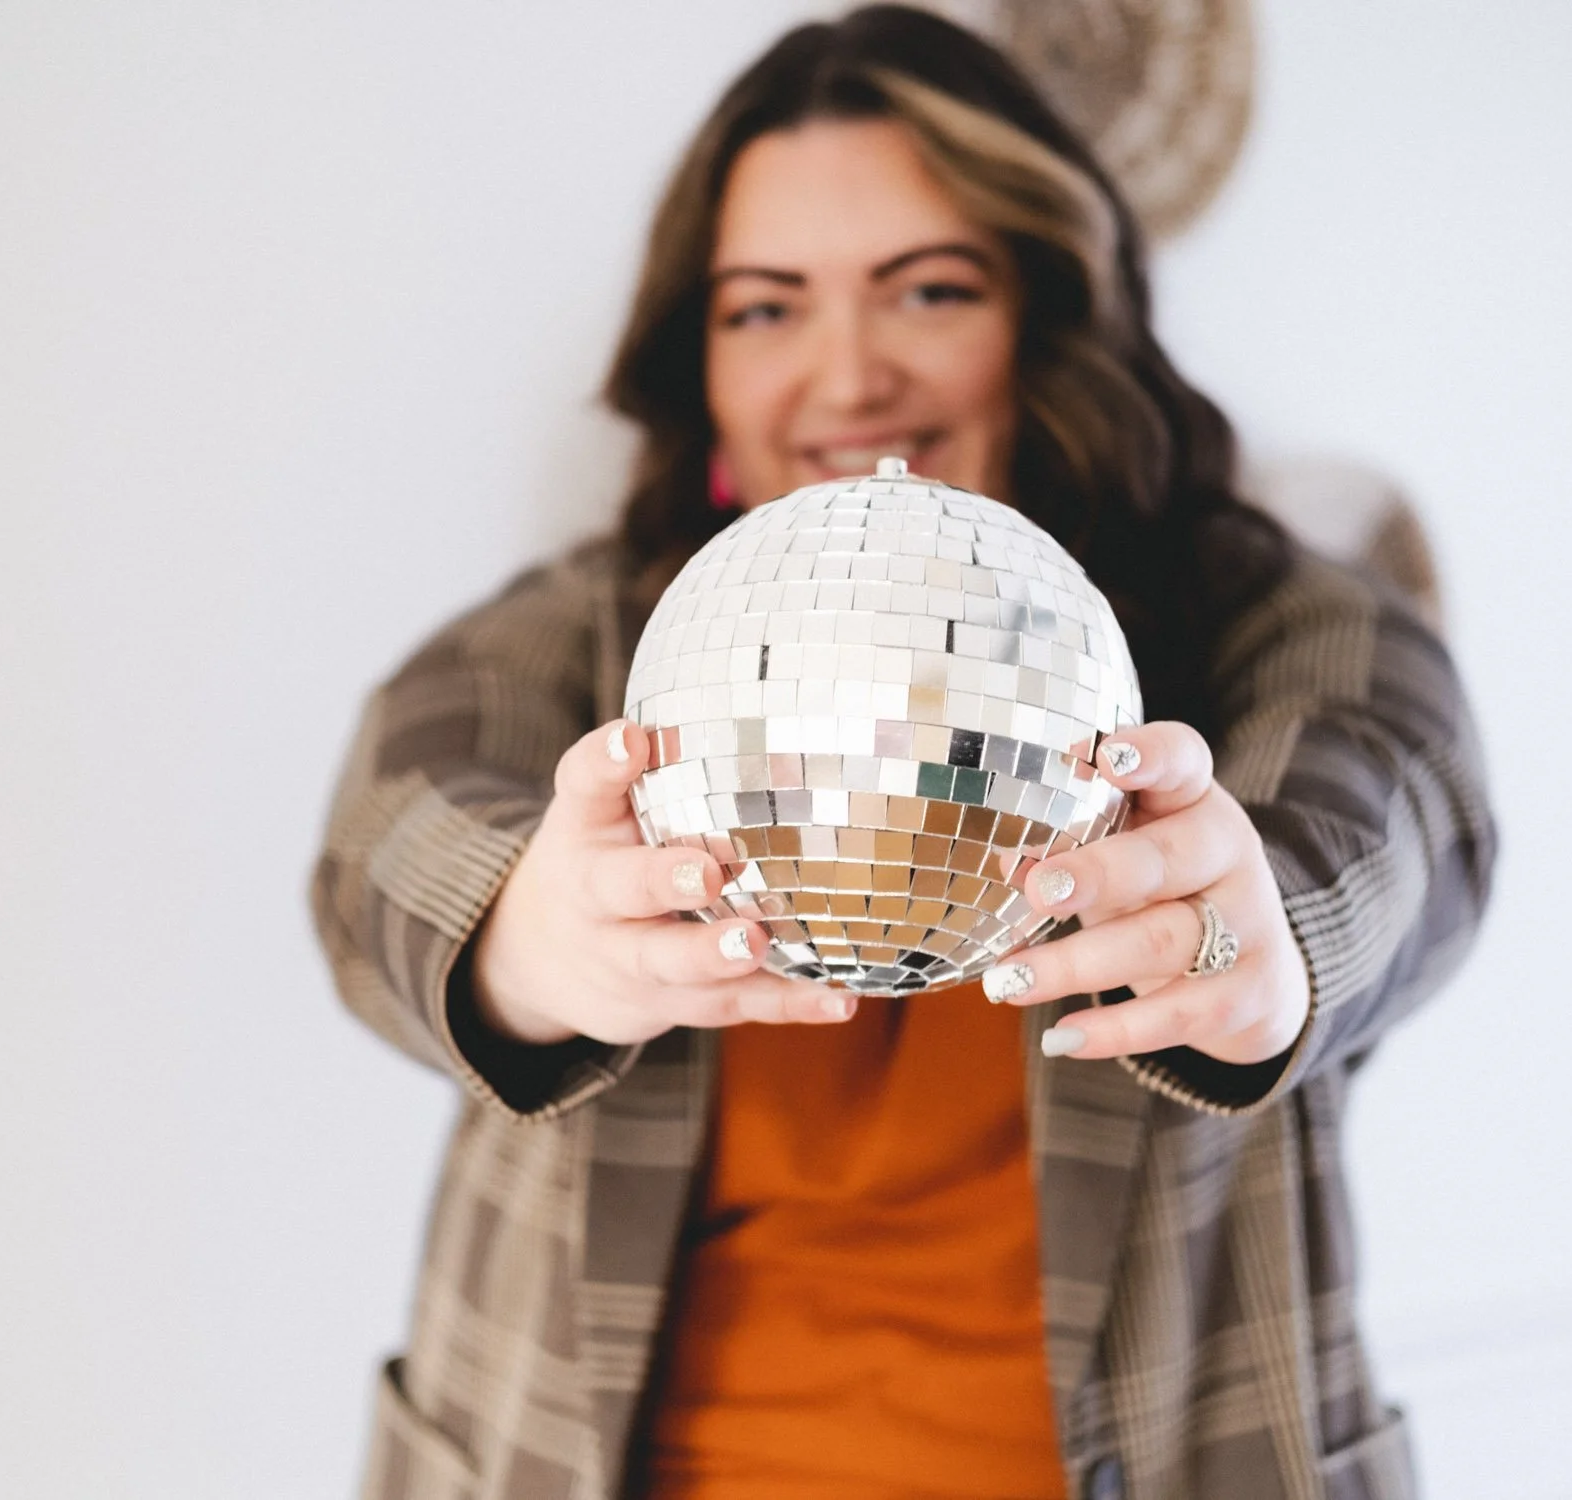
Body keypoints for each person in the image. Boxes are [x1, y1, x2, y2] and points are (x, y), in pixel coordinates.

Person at [309, 8, 1495, 1498]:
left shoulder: (1268, 625)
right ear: (702, 366)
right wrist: (523, 942)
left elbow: (1398, 799)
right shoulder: (592, 634)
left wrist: (1273, 936)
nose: (849, 373)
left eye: (927, 290)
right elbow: (385, 832)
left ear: (1050, 314)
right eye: (764, 307)